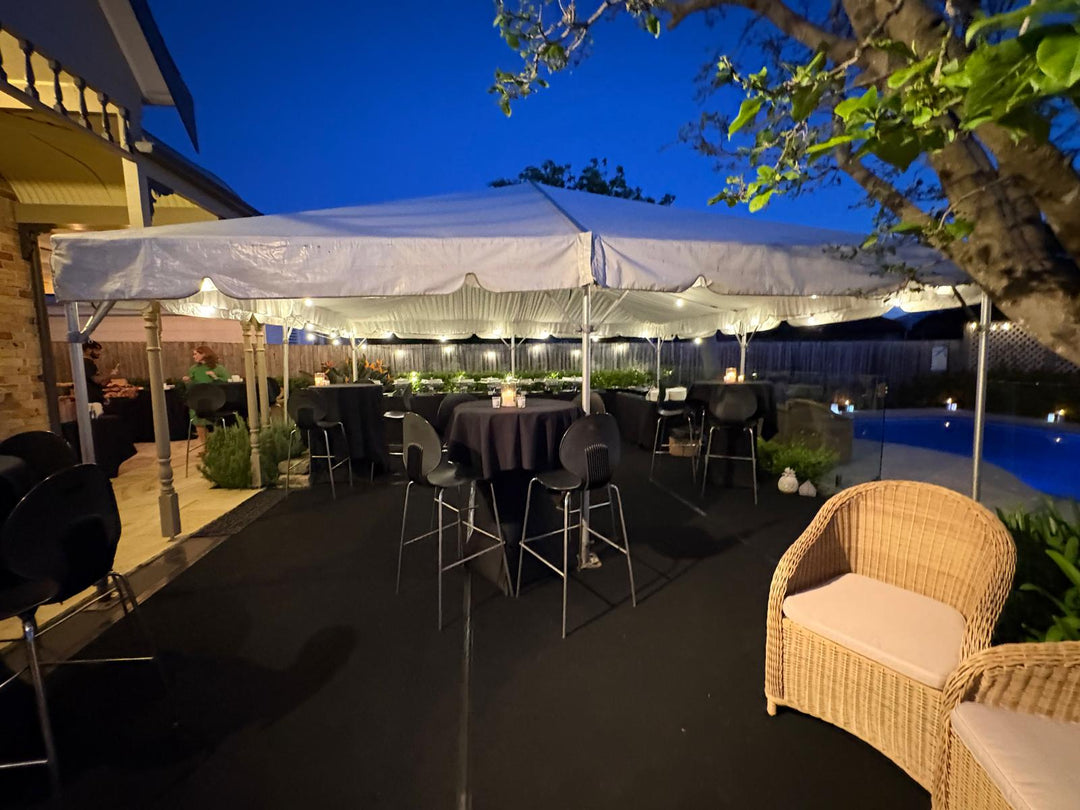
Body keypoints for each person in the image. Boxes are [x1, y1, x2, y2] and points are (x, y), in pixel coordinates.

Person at [183, 345, 230, 443]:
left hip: (215, 400)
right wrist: (188, 381)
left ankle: (218, 444)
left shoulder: (218, 368)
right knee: (197, 417)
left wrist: (215, 377)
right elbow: (192, 386)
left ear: (204, 354)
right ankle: (205, 446)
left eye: (196, 354)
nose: (194, 356)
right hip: (199, 400)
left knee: (218, 419)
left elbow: (228, 382)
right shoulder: (193, 369)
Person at [82, 340, 118, 404]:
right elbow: (96, 380)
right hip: (91, 399)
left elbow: (101, 384)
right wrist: (110, 374)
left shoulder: (91, 364)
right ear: (88, 350)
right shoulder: (87, 363)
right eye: (97, 350)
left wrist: (111, 376)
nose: (99, 353)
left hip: (96, 398)